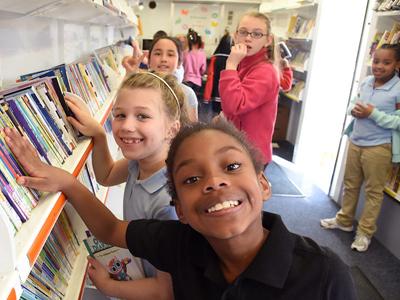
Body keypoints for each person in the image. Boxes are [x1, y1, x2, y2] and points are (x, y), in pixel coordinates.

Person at [4, 118, 356, 299]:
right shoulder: (179, 243)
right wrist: (67, 182)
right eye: (191, 179)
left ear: (263, 184)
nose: (215, 183)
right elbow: (111, 230)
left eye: (231, 167)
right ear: (181, 211)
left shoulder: (324, 275)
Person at [63, 72, 190, 299]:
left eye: (142, 116)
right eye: (120, 115)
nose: (127, 126)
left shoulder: (169, 201)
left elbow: (164, 290)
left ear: (172, 128)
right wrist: (99, 136)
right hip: (137, 271)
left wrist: (108, 287)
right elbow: (107, 174)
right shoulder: (139, 161)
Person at [320, 43, 400, 252]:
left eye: (386, 62)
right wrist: (353, 111)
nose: (379, 66)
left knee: (373, 192)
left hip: (379, 147)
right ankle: (345, 220)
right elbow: (353, 103)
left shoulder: (398, 89)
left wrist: (372, 114)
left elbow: (398, 121)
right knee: (350, 184)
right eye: (376, 61)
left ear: (397, 64)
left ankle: (364, 233)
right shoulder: (366, 82)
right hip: (356, 141)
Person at [219, 11, 280, 166]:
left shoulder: (265, 71)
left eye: (257, 34)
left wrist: (230, 65)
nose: (248, 38)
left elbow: (235, 105)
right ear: (235, 36)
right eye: (243, 32)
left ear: (268, 40)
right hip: (239, 148)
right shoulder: (244, 63)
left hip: (251, 155)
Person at [122, 36, 198, 122]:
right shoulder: (139, 89)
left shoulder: (187, 94)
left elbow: (192, 132)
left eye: (170, 54)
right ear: (149, 60)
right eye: (158, 54)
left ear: (179, 62)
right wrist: (129, 74)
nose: (163, 59)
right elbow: (122, 111)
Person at [203, 29, 232, 113]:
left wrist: (207, 95)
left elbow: (210, 76)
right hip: (228, 93)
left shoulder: (215, 58)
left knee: (215, 114)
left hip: (215, 91)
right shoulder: (233, 59)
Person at [182, 29, 207, 98]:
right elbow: (203, 69)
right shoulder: (202, 53)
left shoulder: (184, 53)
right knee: (194, 102)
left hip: (186, 80)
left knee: (185, 103)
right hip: (197, 82)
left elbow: (181, 67)